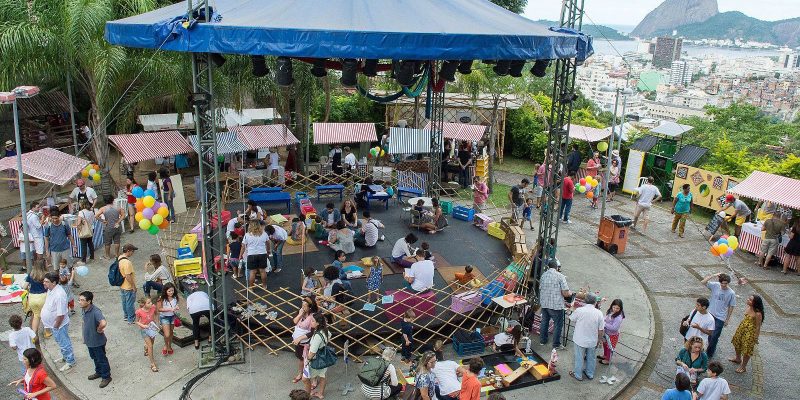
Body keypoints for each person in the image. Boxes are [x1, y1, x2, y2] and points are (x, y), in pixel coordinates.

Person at [42, 271, 76, 371]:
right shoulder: (51, 290)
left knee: (64, 343)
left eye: (46, 281)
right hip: (54, 324)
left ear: (54, 283)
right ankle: (65, 357)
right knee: (60, 342)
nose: (44, 283)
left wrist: (56, 326)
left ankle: (70, 361)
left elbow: (61, 314)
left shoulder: (59, 295)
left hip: (59, 325)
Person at [78, 291, 112, 388]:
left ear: (89, 301)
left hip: (97, 342)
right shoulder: (84, 309)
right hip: (89, 341)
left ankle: (106, 376)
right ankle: (99, 372)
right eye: (79, 299)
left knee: (101, 359)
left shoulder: (95, 311)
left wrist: (99, 329)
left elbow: (103, 322)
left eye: (82, 300)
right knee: (94, 358)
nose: (79, 302)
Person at [569, 293, 604, 381]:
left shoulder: (580, 310)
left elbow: (571, 318)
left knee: (579, 358)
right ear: (595, 302)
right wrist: (599, 340)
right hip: (592, 340)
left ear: (585, 301)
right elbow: (601, 330)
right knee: (591, 358)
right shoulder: (599, 313)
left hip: (579, 339)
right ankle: (590, 374)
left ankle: (578, 375)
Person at [701, 273, 736, 358]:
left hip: (720, 317)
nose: (724, 285)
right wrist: (713, 275)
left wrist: (727, 319)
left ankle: (709, 353)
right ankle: (708, 348)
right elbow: (703, 282)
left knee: (714, 336)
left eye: (726, 283)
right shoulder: (715, 286)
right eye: (722, 283)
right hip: (710, 314)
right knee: (708, 333)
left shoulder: (731, 293)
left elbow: (731, 306)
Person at [539, 259, 571, 349]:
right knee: (558, 324)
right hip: (556, 305)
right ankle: (556, 344)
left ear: (548, 266)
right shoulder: (560, 276)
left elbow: (540, 288)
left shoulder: (543, 275)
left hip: (545, 303)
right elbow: (565, 293)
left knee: (544, 322)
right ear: (556, 267)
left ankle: (543, 340)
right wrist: (570, 294)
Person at [730, 294, 764, 374]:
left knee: (747, 350)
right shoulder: (748, 307)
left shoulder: (758, 313)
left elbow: (758, 326)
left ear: (755, 302)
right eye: (749, 298)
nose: (748, 300)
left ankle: (743, 366)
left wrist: (756, 338)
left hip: (750, 333)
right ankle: (738, 358)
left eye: (750, 300)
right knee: (736, 343)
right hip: (742, 329)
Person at [291, 295, 319, 382]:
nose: (302, 307)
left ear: (310, 307)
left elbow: (312, 332)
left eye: (304, 306)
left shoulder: (313, 317)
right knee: (301, 359)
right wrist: (300, 314)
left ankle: (314, 380)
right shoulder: (300, 312)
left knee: (310, 360)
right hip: (298, 342)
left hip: (307, 343)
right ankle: (300, 373)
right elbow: (294, 322)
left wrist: (299, 338)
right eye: (302, 305)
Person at [304, 312, 331, 399]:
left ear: (318, 323)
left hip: (315, 359)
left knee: (305, 379)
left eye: (312, 321)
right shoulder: (325, 331)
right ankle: (320, 393)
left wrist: (307, 361)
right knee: (323, 376)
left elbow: (312, 352)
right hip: (324, 357)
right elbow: (329, 336)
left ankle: (307, 396)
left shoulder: (317, 336)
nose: (310, 322)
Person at [21, 260, 48, 338]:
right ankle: (47, 332)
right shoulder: (46, 275)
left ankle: (33, 335)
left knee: (36, 316)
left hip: (32, 298)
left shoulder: (31, 274)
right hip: (43, 297)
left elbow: (24, 287)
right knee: (45, 315)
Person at [241, 221, 270, 289]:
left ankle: (251, 287)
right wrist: (268, 251)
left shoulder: (247, 235)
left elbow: (243, 246)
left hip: (252, 255)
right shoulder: (264, 234)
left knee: (252, 272)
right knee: (262, 271)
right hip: (262, 254)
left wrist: (240, 255)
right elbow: (268, 243)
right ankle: (264, 285)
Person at [135, 296, 160, 373]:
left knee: (151, 343)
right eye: (148, 302)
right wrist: (143, 326)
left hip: (152, 328)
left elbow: (156, 314)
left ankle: (145, 347)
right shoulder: (139, 312)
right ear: (144, 304)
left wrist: (157, 323)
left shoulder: (153, 307)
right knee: (151, 346)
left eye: (151, 302)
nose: (151, 303)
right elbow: (136, 321)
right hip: (144, 330)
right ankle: (152, 364)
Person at [96, 195, 124, 260]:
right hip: (117, 226)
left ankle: (107, 256)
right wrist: (118, 221)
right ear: (113, 200)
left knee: (107, 242)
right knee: (117, 241)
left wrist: (103, 221)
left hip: (108, 227)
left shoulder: (103, 208)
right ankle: (117, 254)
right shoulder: (118, 207)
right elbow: (123, 215)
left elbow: (96, 216)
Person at [157, 283, 180, 356]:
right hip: (164, 317)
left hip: (173, 317)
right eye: (169, 291)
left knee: (171, 332)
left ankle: (169, 346)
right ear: (165, 291)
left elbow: (175, 305)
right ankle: (166, 346)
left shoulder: (175, 297)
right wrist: (170, 309)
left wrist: (176, 307)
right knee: (167, 334)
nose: (171, 292)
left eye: (172, 290)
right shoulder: (161, 298)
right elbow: (159, 309)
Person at [601, 298, 625, 365]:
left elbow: (614, 328)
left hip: (612, 335)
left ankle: (608, 360)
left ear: (620, 308)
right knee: (605, 345)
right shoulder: (611, 311)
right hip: (606, 333)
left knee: (609, 348)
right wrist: (603, 319)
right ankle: (605, 356)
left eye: (617, 308)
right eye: (614, 307)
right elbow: (606, 317)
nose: (615, 309)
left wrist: (604, 324)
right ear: (612, 305)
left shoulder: (619, 318)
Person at [118, 244, 138, 324]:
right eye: (132, 251)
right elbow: (128, 275)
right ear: (128, 251)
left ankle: (126, 316)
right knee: (130, 303)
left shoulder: (120, 258)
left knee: (124, 302)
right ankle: (131, 318)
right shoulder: (127, 262)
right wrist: (133, 286)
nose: (133, 253)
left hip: (122, 285)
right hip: (128, 286)